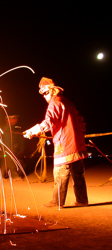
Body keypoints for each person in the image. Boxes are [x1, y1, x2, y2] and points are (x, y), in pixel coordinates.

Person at [23, 77, 88, 208]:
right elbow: (81, 120)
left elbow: (49, 121)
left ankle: (57, 201)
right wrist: (80, 136)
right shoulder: (68, 102)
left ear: (52, 91)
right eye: (43, 94)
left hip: (65, 145)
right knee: (78, 174)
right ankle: (82, 201)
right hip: (77, 144)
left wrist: (32, 131)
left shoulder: (55, 102)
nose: (44, 96)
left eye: (45, 93)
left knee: (60, 173)